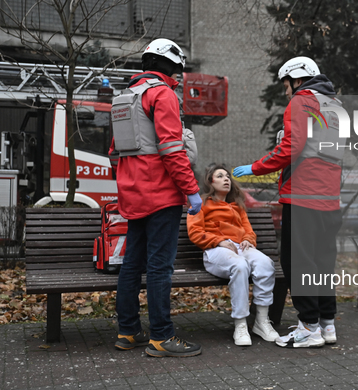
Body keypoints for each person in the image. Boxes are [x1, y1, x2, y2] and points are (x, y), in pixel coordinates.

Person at [233, 56, 342, 348]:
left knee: (299, 263)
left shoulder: (302, 101)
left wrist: (255, 167)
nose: (286, 92)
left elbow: (292, 146)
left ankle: (309, 328)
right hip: (330, 198)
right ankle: (326, 324)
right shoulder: (335, 106)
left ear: (297, 78)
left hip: (304, 196)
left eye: (287, 84)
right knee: (322, 262)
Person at [109, 38, 203, 357]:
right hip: (161, 194)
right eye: (177, 68)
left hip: (133, 195)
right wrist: (191, 190)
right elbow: (172, 150)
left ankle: (128, 331)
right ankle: (162, 337)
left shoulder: (125, 98)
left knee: (132, 265)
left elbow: (114, 152)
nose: (178, 74)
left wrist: (129, 182)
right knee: (160, 267)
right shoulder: (162, 94)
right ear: (167, 65)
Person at [186, 165, 280, 346]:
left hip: (241, 248)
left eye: (228, 176)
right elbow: (195, 232)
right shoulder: (201, 203)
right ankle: (241, 324)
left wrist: (247, 240)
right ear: (210, 182)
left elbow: (249, 231)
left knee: (266, 263)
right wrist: (219, 241)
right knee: (240, 266)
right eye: (220, 176)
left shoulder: (237, 206)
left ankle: (261, 321)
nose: (226, 179)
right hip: (216, 250)